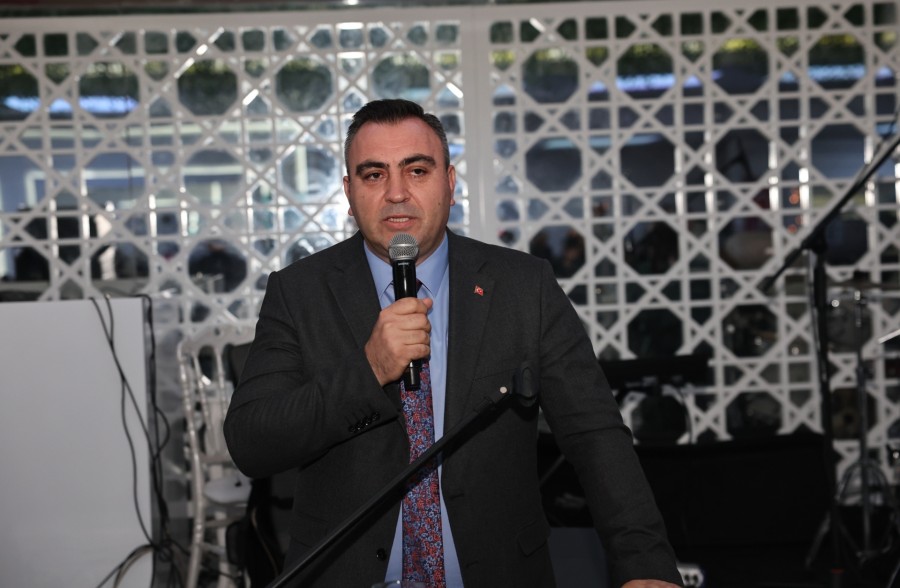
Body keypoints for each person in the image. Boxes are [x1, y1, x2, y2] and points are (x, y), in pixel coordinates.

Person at [224, 99, 683, 588]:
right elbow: (252, 443)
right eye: (374, 175)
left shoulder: (523, 287)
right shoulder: (300, 293)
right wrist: (369, 370)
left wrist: (646, 566)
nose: (396, 193)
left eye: (417, 170)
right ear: (349, 192)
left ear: (449, 182)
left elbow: (595, 435)